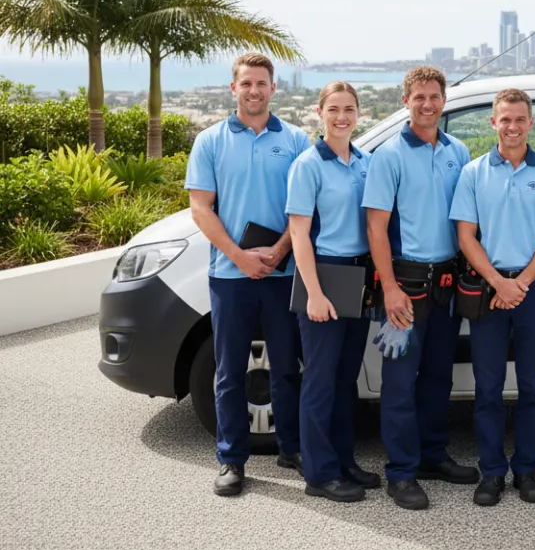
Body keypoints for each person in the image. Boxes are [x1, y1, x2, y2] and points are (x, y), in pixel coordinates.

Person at [185, 52, 311, 497]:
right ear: (233, 88)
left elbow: (304, 208)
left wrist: (278, 253)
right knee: (229, 372)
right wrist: (239, 256)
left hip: (283, 275)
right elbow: (201, 208)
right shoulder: (211, 141)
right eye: (246, 83)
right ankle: (232, 460)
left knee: (287, 370)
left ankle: (292, 448)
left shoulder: (295, 140)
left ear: (274, 89)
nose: (254, 90)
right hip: (230, 277)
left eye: (262, 83)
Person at [361, 66, 476, 511]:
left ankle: (432, 456)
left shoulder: (457, 150)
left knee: (437, 379)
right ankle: (402, 472)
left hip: (446, 284)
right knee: (400, 383)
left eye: (434, 96)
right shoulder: (388, 155)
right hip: (404, 287)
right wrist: (389, 288)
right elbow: (376, 228)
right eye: (419, 97)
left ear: (443, 100)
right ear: (405, 99)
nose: (427, 104)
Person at [449, 88, 535, 506]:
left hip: (533, 291)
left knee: (533, 387)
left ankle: (527, 471)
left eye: (520, 119)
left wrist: (519, 284)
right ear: (493, 122)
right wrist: (499, 282)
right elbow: (466, 236)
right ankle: (492, 472)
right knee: (488, 388)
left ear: (530, 123)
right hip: (488, 290)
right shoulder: (473, 173)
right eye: (506, 119)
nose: (513, 127)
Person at [286, 81, 379, 503]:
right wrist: (314, 293)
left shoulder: (364, 162)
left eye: (349, 109)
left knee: (345, 379)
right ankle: (320, 474)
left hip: (359, 275)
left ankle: (344, 462)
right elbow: (299, 234)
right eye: (334, 109)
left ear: (358, 113)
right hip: (324, 275)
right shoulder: (308, 164)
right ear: (319, 113)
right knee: (320, 381)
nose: (342, 117)